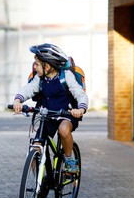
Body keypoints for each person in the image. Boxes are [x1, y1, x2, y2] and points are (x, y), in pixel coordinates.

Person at [12, 43, 88, 173]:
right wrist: (18, 100)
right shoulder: (40, 79)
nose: (34, 67)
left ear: (47, 66)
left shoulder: (66, 77)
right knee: (35, 147)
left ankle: (69, 159)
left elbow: (80, 94)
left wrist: (80, 109)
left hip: (67, 115)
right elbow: (29, 89)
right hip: (47, 116)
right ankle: (39, 183)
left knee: (64, 130)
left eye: (37, 64)